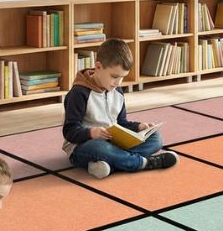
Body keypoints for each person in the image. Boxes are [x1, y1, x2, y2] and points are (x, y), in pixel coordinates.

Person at [62, 38, 178, 178]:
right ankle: (143, 163)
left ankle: (110, 163)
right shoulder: (79, 93)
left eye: (122, 77)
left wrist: (139, 127)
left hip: (114, 143)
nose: (118, 82)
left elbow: (121, 123)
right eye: (114, 76)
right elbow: (69, 131)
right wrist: (91, 133)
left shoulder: (117, 91)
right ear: (98, 67)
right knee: (100, 148)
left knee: (156, 139)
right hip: (83, 146)